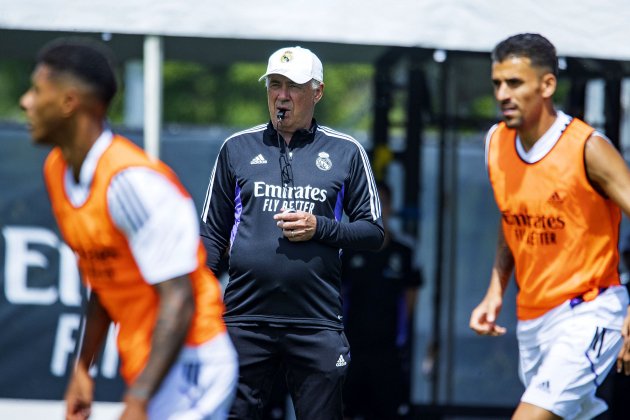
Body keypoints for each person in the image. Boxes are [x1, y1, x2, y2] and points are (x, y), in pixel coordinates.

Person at [20, 37, 237, 419]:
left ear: (70, 102)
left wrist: (139, 398)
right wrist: (82, 369)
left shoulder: (132, 182)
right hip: (151, 364)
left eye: (37, 90)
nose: (26, 101)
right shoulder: (57, 170)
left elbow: (179, 299)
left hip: (194, 360)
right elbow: (103, 281)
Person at [200, 46, 384, 420]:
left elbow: (373, 232)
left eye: (293, 86)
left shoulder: (346, 151)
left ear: (317, 92)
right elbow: (212, 237)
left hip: (315, 322)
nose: (281, 95)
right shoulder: (236, 148)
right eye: (274, 85)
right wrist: (196, 305)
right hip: (244, 319)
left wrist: (321, 227)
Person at [469, 33, 630, 420]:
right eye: (497, 84)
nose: (503, 94)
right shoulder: (496, 143)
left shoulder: (588, 148)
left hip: (589, 311)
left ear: (547, 85)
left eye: (515, 83)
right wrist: (495, 290)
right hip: (533, 320)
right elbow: (512, 218)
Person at [341, 181, 422, 420]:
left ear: (390, 207)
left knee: (388, 411)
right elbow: (338, 294)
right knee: (345, 409)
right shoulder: (349, 248)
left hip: (388, 352)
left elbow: (410, 297)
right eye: (371, 203)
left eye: (382, 202)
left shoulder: (405, 251)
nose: (377, 209)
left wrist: (399, 338)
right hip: (351, 349)